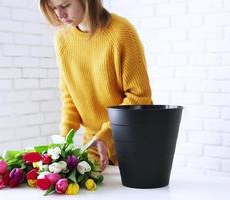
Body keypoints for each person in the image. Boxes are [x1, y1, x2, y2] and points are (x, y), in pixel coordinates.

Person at [38, 0, 152, 171]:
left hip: (134, 141)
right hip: (94, 146)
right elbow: (70, 96)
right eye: (54, 8)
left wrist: (105, 135)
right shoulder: (62, 39)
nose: (59, 15)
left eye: (65, 5)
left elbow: (139, 97)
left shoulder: (121, 31)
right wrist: (63, 140)